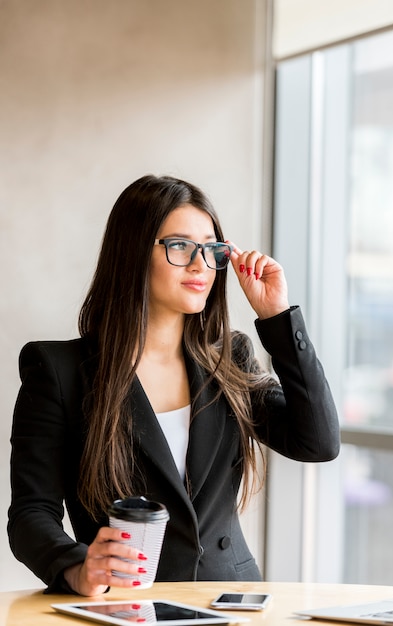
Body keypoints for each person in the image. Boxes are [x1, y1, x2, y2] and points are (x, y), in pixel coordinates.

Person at [8, 174, 340, 596]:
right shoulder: (60, 370)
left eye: (210, 248)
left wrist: (277, 319)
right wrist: (77, 567)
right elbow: (30, 514)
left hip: (232, 604)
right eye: (180, 245)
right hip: (127, 604)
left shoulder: (229, 360)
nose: (201, 264)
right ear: (132, 252)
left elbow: (318, 442)